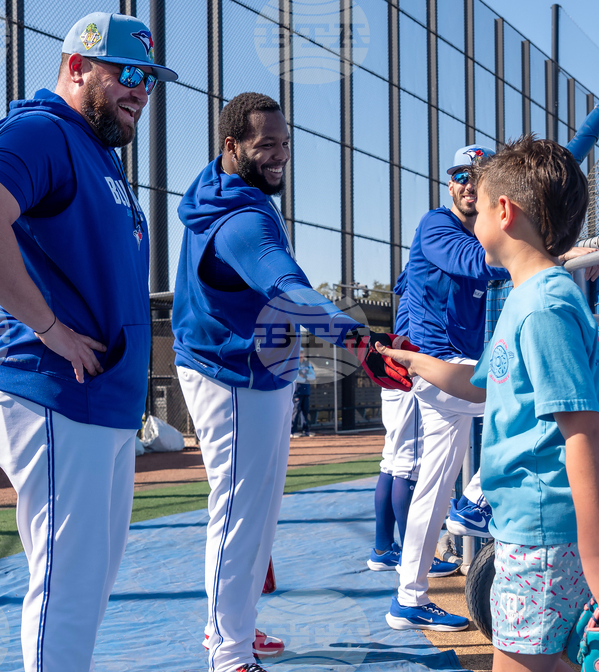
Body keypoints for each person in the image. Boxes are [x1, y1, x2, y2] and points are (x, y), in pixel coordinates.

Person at [0, 12, 177, 672]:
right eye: (128, 75)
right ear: (76, 67)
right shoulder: (43, 130)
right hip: (53, 391)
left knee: (86, 587)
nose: (141, 91)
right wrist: (50, 329)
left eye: (150, 82)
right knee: (67, 590)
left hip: (98, 402)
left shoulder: (95, 149)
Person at [172, 92, 412, 672]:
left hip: (245, 369)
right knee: (238, 515)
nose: (279, 155)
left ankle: (229, 630)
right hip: (233, 375)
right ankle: (228, 654)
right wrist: (359, 344)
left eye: (284, 144)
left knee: (248, 513)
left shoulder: (227, 186)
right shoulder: (243, 219)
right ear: (231, 146)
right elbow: (289, 290)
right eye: (265, 146)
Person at [377, 136, 599, 666]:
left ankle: (463, 515)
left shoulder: (543, 305)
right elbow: (484, 384)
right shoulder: (525, 298)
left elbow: (580, 431)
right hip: (525, 532)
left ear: (504, 211)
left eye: (481, 192)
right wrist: (416, 362)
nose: (470, 199)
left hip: (542, 540)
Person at [367, 270, 459, 580]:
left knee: (393, 462)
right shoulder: (434, 272)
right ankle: (414, 557)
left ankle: (383, 549)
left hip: (394, 369)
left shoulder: (417, 272)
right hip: (410, 372)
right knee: (408, 465)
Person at [291, 352, 315, 436]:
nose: (301, 354)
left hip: (306, 391)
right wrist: (305, 377)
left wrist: (303, 376)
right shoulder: (293, 363)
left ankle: (306, 431)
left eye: (302, 352)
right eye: (299, 352)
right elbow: (295, 377)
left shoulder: (307, 364)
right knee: (295, 411)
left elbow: (313, 377)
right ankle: (293, 431)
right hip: (297, 391)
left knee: (305, 411)